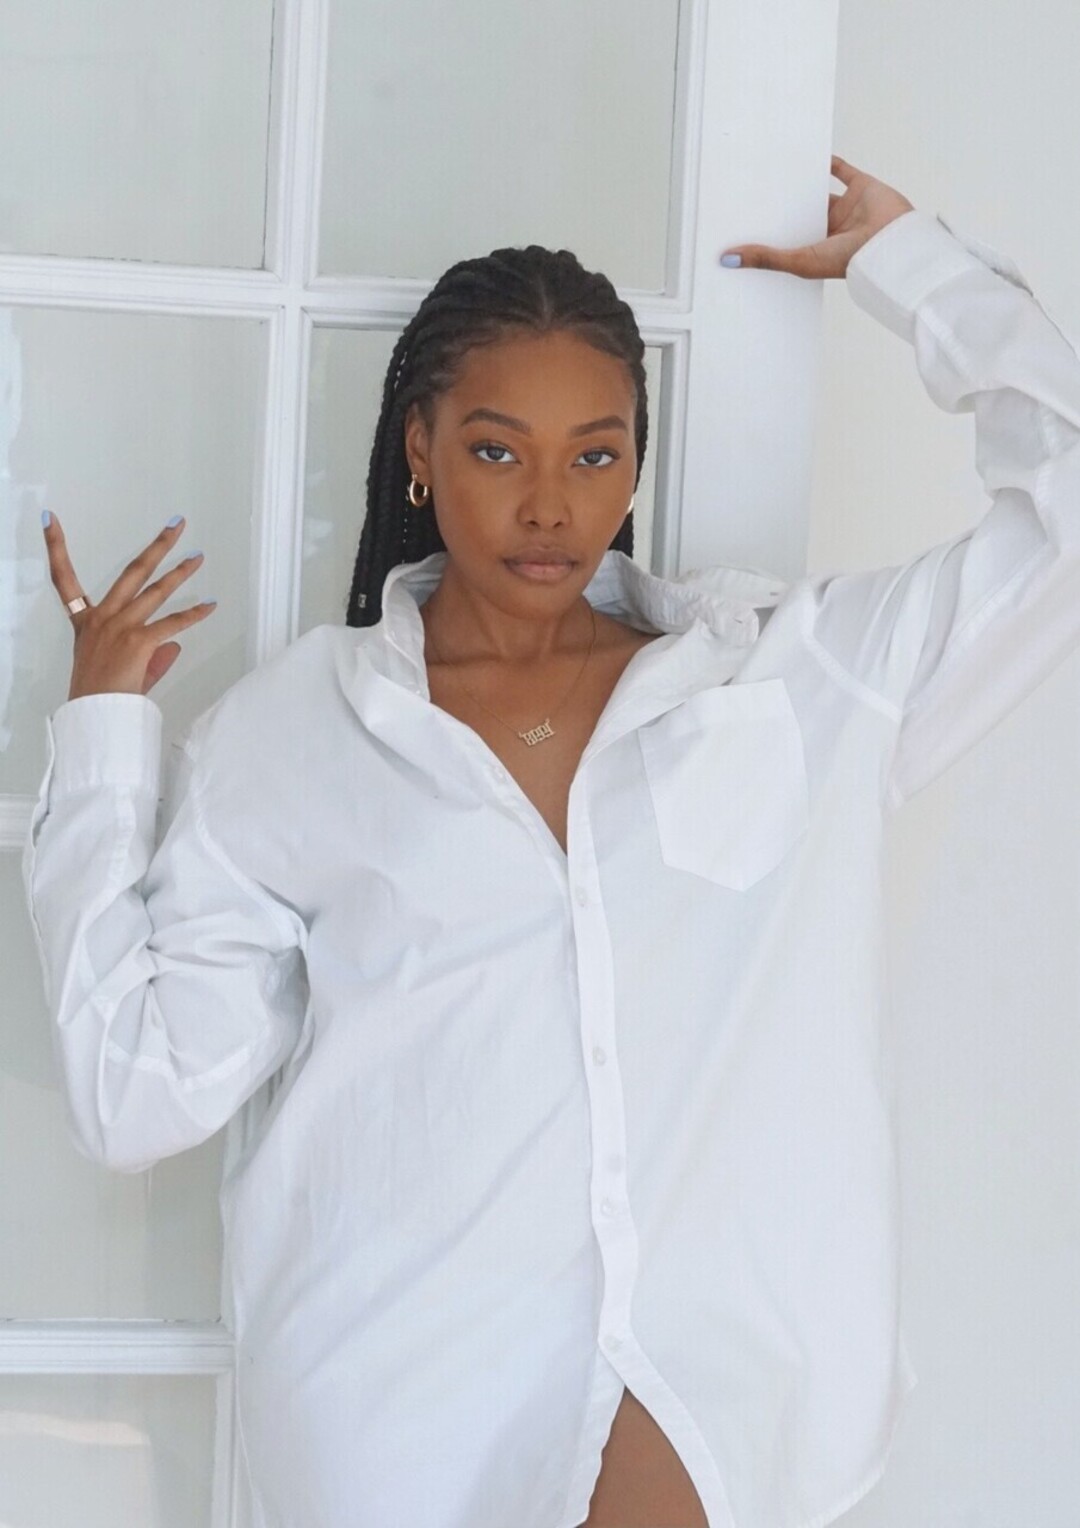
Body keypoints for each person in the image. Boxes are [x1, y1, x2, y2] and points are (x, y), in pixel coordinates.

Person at [23, 155, 1080, 1528]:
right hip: (404, 1398)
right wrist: (104, 740)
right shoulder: (291, 738)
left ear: (635, 461)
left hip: (715, 1369)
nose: (549, 504)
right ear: (418, 448)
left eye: (595, 453)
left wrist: (912, 268)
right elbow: (137, 1094)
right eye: (495, 449)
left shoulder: (792, 679)